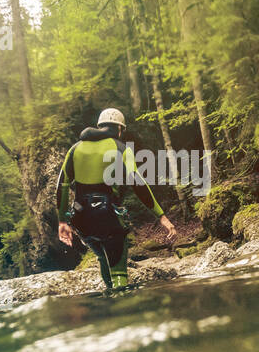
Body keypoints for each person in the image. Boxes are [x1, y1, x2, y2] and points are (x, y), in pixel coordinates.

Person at [55, 108, 175, 290]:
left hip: (81, 218)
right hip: (108, 216)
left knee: (103, 256)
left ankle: (109, 304)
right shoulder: (120, 148)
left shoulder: (75, 149)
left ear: (100, 125)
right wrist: (161, 216)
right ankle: (121, 299)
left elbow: (61, 185)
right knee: (117, 266)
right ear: (120, 129)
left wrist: (62, 221)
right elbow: (138, 183)